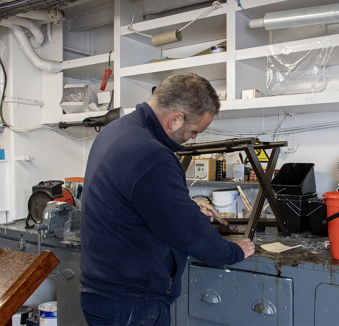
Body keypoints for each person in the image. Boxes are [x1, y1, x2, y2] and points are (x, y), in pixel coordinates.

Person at [79, 72, 255, 325]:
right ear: (175, 120)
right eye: (194, 131)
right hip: (132, 303)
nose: (193, 138)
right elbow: (187, 232)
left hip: (104, 293)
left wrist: (184, 204)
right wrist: (232, 251)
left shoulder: (117, 131)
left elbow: (134, 198)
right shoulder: (153, 154)